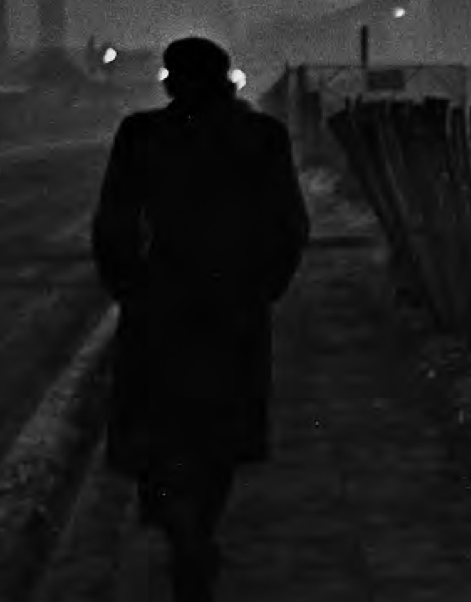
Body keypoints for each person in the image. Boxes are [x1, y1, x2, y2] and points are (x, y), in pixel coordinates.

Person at [91, 37, 308, 602]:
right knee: (221, 433)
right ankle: (198, 531)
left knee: (159, 431)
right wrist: (261, 289)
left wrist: (130, 290)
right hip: (232, 305)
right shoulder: (261, 137)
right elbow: (288, 225)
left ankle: (182, 532)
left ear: (170, 82)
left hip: (161, 304)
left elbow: (113, 226)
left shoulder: (142, 136)